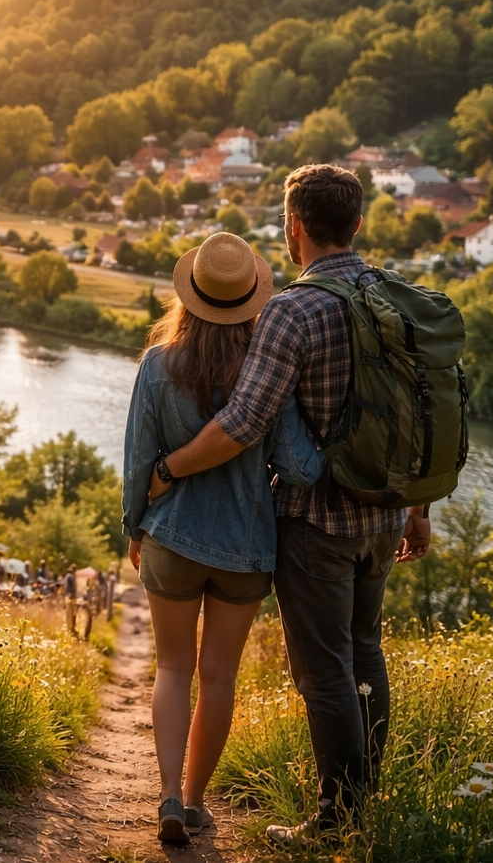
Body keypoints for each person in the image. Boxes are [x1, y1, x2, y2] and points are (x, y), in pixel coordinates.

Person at [148, 167, 435, 844]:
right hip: (385, 515)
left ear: (293, 225)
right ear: (357, 224)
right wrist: (419, 510)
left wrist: (169, 468)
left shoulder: (293, 310)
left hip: (317, 523)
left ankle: (336, 822)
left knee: (324, 672)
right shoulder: (395, 298)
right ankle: (362, 808)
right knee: (365, 654)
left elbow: (245, 422)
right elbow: (418, 414)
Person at [124, 231, 327, 846]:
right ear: (250, 302)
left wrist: (134, 526)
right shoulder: (268, 375)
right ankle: (194, 802)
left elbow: (138, 461)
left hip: (172, 536)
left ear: (189, 295)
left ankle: (166, 795)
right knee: (218, 677)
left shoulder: (157, 365)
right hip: (247, 548)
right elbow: (300, 469)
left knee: (171, 666)